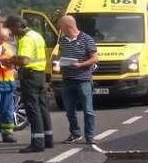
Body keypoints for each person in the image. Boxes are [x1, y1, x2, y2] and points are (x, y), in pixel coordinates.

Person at [5, 15, 53, 153]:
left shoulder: (26, 39)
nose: (11, 33)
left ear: (17, 26)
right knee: (43, 107)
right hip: (40, 75)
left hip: (30, 76)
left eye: (11, 29)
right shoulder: (36, 35)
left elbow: (24, 60)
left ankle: (37, 143)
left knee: (33, 109)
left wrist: (10, 60)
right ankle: (48, 139)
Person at [56, 15, 98, 144]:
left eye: (61, 27)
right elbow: (59, 55)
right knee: (69, 110)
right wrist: (58, 63)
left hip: (83, 79)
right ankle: (75, 133)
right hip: (67, 79)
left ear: (68, 26)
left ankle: (90, 136)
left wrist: (80, 64)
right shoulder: (62, 41)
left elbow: (95, 58)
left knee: (88, 110)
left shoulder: (87, 39)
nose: (60, 29)